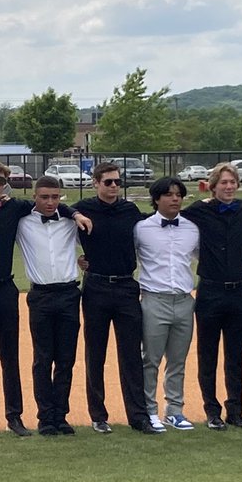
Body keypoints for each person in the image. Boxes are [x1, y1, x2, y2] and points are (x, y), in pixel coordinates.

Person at [0, 160, 89, 439]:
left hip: (5, 289)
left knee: (10, 356)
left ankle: (14, 417)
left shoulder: (16, 208)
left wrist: (74, 213)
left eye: (1, 181)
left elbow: (50, 203)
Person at [74, 162, 156, 435]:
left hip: (126, 287)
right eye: (107, 182)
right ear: (96, 182)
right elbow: (59, 223)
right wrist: (79, 259)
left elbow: (154, 223)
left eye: (117, 182)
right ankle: (98, 415)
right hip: (96, 286)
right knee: (95, 353)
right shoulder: (84, 209)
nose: (113, 187)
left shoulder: (129, 210)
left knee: (131, 354)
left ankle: (138, 416)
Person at [180, 162, 242, 430]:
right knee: (208, 354)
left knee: (235, 355)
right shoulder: (200, 211)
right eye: (223, 183)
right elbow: (174, 220)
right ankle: (211, 411)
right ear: (212, 186)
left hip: (238, 291)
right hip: (210, 291)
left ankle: (235, 410)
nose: (229, 187)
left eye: (232, 182)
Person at [16, 175, 82, 435]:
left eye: (55, 197)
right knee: (43, 359)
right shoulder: (22, 223)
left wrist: (73, 213)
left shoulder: (71, 222)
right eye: (44, 197)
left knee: (66, 359)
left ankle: (61, 415)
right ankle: (45, 417)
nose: (50, 202)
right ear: (34, 197)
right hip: (41, 296)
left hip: (68, 294)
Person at [134, 176, 200, 432]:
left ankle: (175, 410)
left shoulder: (192, 229)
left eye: (179, 195)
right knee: (150, 359)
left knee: (177, 360)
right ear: (156, 199)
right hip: (154, 299)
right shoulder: (141, 228)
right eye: (169, 194)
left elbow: (203, 256)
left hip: (184, 301)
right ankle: (149, 410)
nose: (175, 199)